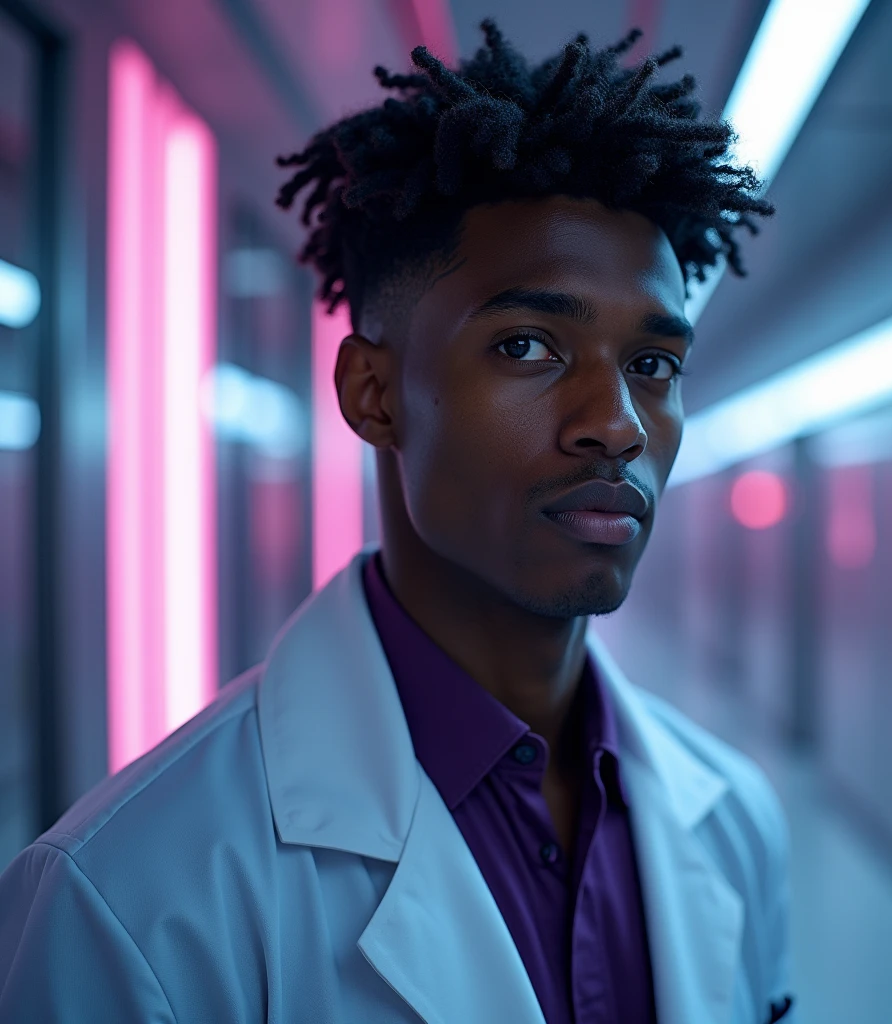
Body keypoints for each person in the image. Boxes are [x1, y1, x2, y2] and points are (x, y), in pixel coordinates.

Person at [0, 21, 794, 1023]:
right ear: (373, 393)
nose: (616, 425)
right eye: (527, 346)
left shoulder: (734, 820)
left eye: (652, 365)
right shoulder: (131, 898)